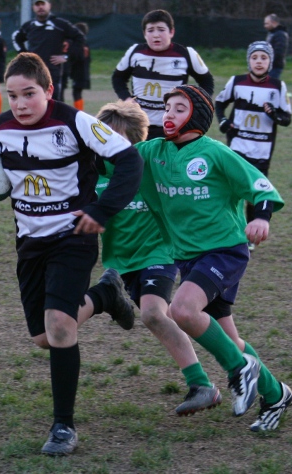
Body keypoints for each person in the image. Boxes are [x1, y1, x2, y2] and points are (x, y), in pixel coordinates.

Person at [0, 52, 143, 455]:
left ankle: (63, 427)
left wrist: (100, 210)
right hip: (30, 243)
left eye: (29, 94)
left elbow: (129, 160)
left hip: (73, 236)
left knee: (58, 326)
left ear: (49, 90)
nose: (20, 104)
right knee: (43, 337)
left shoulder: (76, 122)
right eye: (12, 96)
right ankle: (105, 295)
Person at [136, 84, 292, 432]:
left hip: (224, 251)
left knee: (181, 310)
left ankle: (239, 369)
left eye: (179, 108)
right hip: (189, 258)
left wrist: (260, 217)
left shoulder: (214, 152)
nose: (168, 114)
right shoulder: (153, 152)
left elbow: (259, 184)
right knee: (231, 341)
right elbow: (114, 161)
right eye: (166, 108)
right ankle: (275, 393)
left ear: (198, 115)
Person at [95, 100, 222, 415]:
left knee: (153, 314)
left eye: (117, 140)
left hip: (159, 252)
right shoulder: (91, 172)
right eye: (103, 138)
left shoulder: (147, 165)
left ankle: (202, 384)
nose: (108, 147)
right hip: (123, 262)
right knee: (149, 316)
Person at [215, 41, 292, 250]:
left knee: (255, 191)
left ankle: (250, 234)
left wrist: (274, 114)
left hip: (262, 149)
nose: (259, 62)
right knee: (230, 189)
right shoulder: (237, 82)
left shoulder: (277, 86)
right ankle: (228, 230)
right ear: (249, 60)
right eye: (255, 57)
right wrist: (223, 121)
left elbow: (286, 119)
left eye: (264, 58)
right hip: (238, 145)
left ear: (270, 62)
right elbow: (220, 103)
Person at [112, 9, 213, 140]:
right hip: (138, 125)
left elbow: (207, 82)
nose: (156, 35)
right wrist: (126, 98)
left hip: (171, 125)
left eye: (161, 29)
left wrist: (195, 105)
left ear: (171, 32)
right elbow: (118, 78)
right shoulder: (135, 52)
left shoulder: (186, 54)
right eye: (150, 30)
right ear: (144, 34)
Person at [12, 0, 84, 103]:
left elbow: (79, 38)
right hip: (33, 71)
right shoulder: (29, 26)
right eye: (37, 5)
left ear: (49, 6)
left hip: (53, 71)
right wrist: (24, 55)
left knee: (53, 101)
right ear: (33, 7)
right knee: (34, 100)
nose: (40, 7)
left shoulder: (60, 24)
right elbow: (16, 38)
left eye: (43, 4)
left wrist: (66, 56)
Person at [61, 22, 91, 111]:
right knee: (77, 92)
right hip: (82, 70)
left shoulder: (76, 44)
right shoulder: (85, 44)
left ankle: (79, 112)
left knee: (75, 92)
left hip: (79, 70)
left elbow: (77, 57)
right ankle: (79, 111)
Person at [264, 14, 289, 80]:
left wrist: (269, 62)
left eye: (267, 23)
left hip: (274, 66)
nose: (265, 26)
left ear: (274, 23)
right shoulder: (272, 33)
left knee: (270, 85)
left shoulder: (280, 34)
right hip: (269, 65)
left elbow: (279, 52)